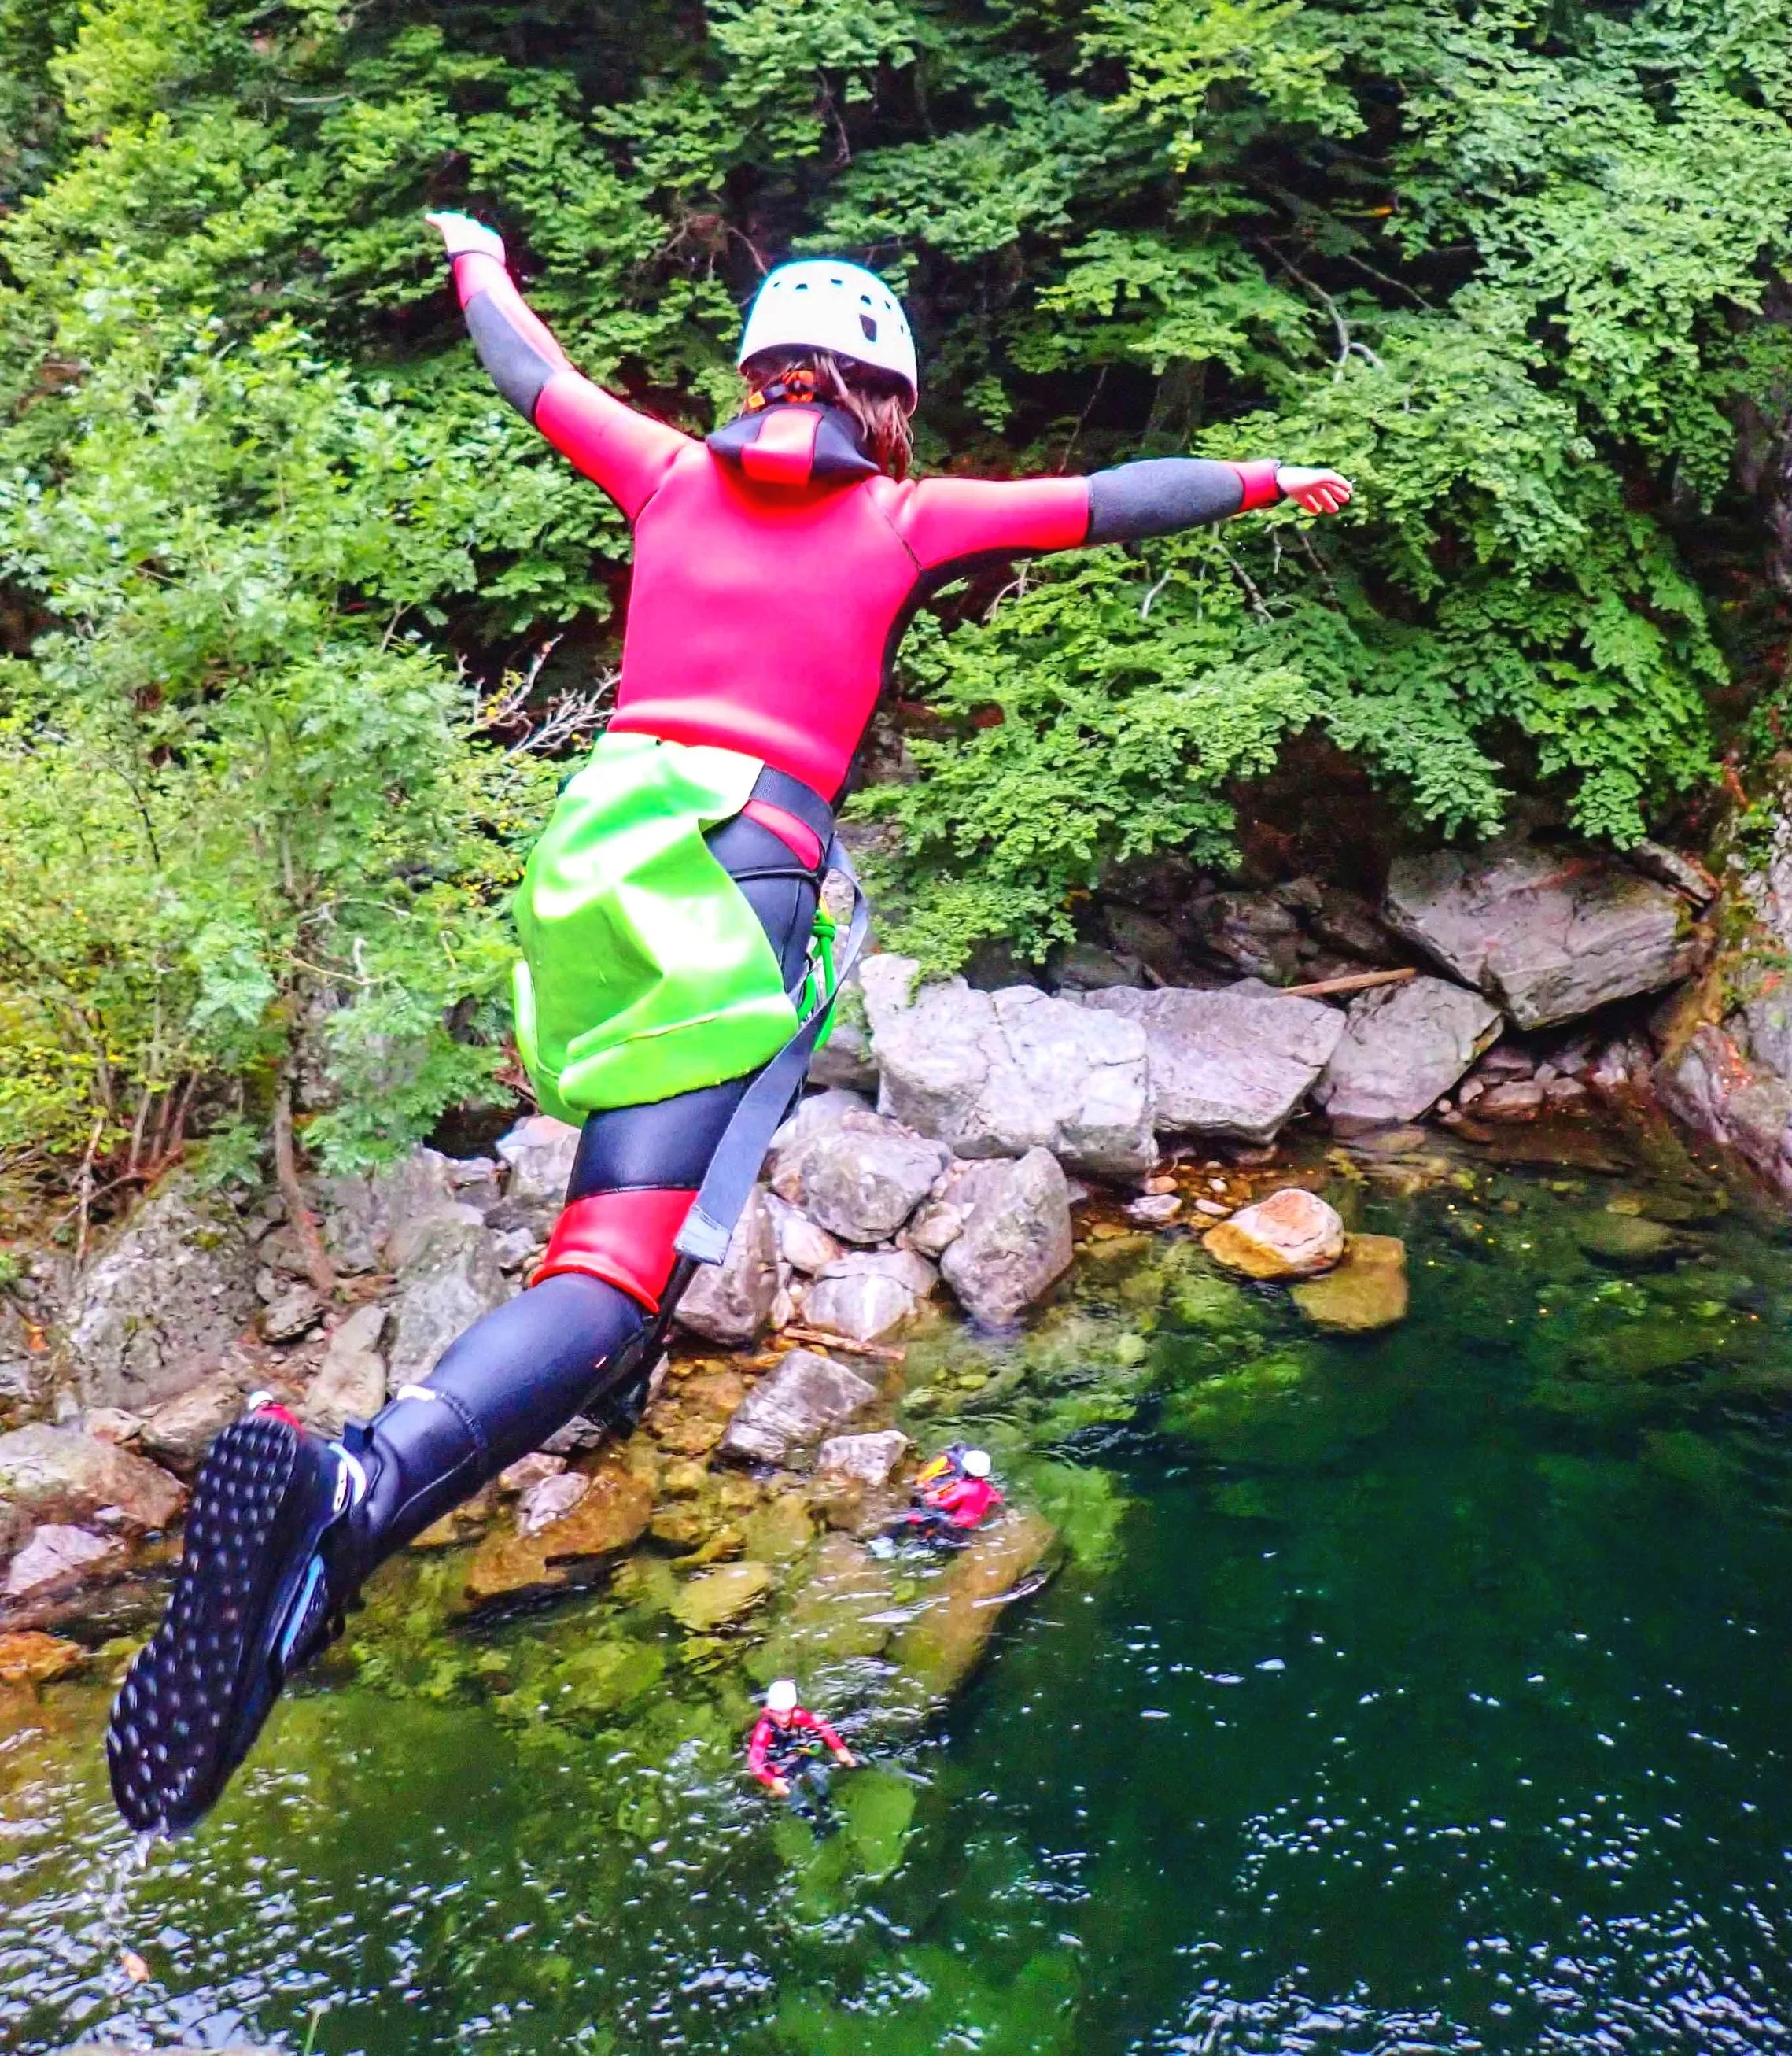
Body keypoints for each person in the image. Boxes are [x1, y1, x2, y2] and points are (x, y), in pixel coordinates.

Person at [106, 224, 1352, 1836]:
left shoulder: (665, 474)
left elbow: (524, 366)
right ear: (884, 400)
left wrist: (480, 257)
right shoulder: (900, 517)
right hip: (744, 861)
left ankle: (344, 1532)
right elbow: (1111, 500)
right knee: (608, 1276)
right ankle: (358, 1480)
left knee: (609, 1278)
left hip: (597, 864)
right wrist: (1267, 474)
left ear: (758, 371)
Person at [746, 1678, 858, 1807]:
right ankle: (804, 1812)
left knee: (818, 1772)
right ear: (769, 1711)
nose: (784, 1719)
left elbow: (822, 1727)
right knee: (790, 1791)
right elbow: (755, 1762)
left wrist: (839, 1749)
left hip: (795, 1748)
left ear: (793, 1709)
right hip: (777, 1757)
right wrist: (772, 1781)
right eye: (779, 1714)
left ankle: (825, 1801)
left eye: (787, 1712)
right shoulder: (764, 1730)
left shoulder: (798, 1715)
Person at [871, 1447, 1003, 1556]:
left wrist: (933, 1498)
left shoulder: (964, 1487)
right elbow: (996, 1498)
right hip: (968, 1528)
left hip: (953, 1524)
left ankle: (885, 1540)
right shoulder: (987, 1488)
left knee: (913, 1516)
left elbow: (946, 1504)